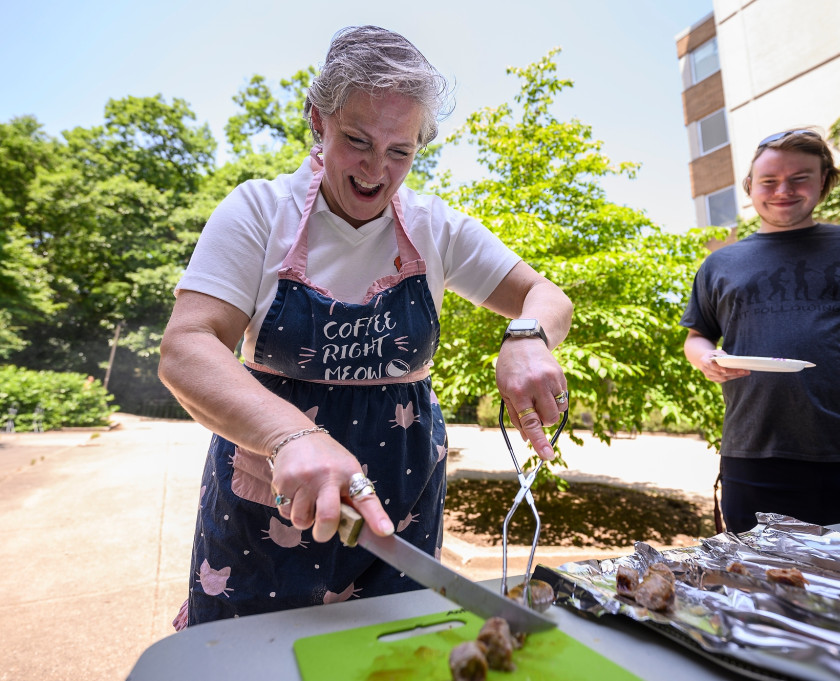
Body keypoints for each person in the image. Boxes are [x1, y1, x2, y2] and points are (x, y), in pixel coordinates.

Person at [158, 26, 573, 627]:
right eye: (357, 140)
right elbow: (187, 347)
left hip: (400, 505)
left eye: (400, 151)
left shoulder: (437, 228)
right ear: (317, 121)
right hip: (274, 499)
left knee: (392, 652)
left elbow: (546, 295)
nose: (377, 170)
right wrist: (291, 436)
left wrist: (527, 335)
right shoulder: (258, 211)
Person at [681, 128, 840, 534]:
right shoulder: (721, 264)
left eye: (800, 177)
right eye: (769, 181)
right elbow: (697, 336)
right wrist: (705, 359)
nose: (783, 189)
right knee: (769, 588)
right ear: (751, 187)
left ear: (823, 181)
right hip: (756, 454)